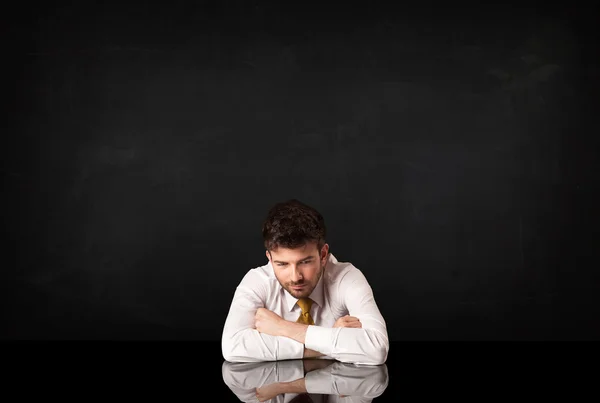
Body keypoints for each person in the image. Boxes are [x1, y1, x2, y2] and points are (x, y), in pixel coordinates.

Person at [221, 199, 389, 365]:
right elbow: (232, 347)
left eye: (305, 262)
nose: (295, 277)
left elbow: (377, 349)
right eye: (282, 264)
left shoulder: (346, 277)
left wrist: (283, 328)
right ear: (270, 259)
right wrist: (331, 339)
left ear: (323, 255)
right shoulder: (257, 281)